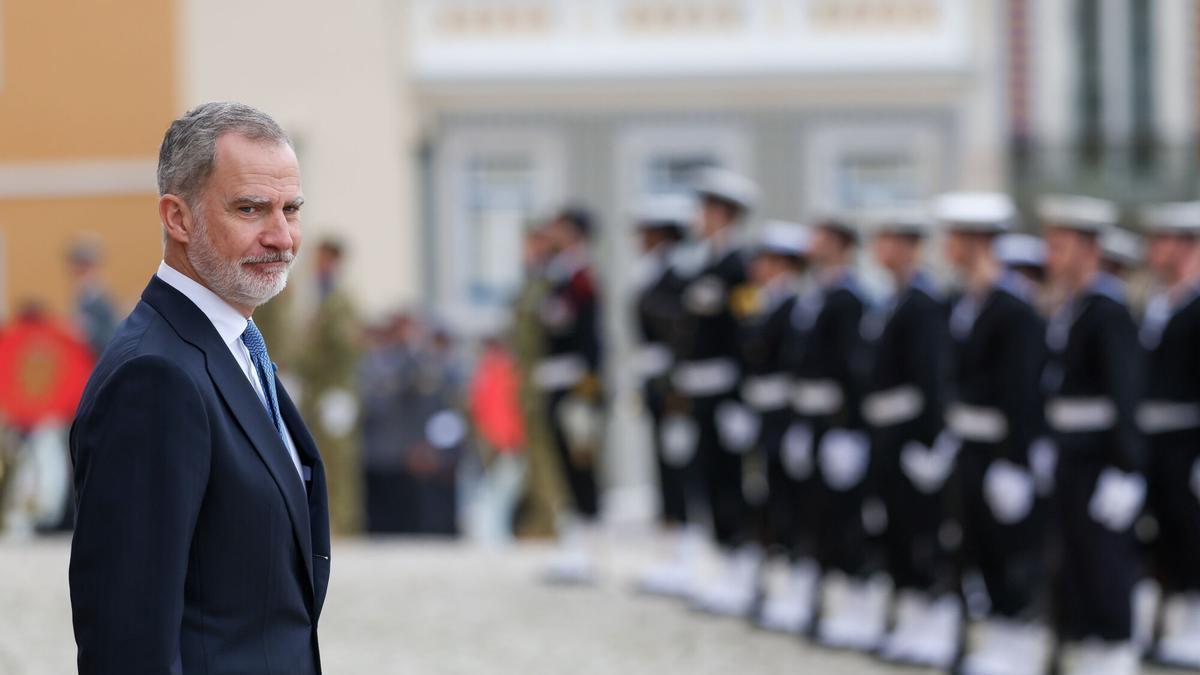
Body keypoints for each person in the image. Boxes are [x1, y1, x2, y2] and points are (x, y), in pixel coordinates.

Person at [68, 102, 329, 673]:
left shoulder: (235, 344)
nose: (281, 237)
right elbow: (126, 636)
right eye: (250, 209)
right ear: (178, 218)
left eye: (291, 209)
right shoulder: (154, 377)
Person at [936, 191, 1050, 675]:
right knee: (974, 546)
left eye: (956, 237)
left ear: (977, 242)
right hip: (968, 444)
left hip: (1000, 449)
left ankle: (1017, 647)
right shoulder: (964, 302)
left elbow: (1021, 393)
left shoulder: (1014, 309)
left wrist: (1015, 461)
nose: (947, 245)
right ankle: (992, 642)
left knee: (1009, 553)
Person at [1039, 194, 1145, 675]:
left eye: (1059, 246)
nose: (1050, 256)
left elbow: (1125, 394)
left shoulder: (1108, 310)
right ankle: (1086, 645)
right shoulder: (1074, 307)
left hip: (1101, 458)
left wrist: (1127, 468)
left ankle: (1115, 650)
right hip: (1071, 454)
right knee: (1075, 560)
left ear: (1088, 250)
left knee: (1105, 562)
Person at [864, 211, 959, 668]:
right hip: (887, 430)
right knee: (895, 528)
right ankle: (909, 617)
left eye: (892, 240)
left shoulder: (922, 302)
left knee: (921, 530)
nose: (883, 249)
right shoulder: (892, 299)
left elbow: (932, 377)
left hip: (912, 432)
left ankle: (933, 620)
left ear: (911, 247)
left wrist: (931, 439)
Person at [671, 167, 763, 616]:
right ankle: (725, 565)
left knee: (730, 483)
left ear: (725, 214)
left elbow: (747, 335)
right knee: (707, 478)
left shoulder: (739, 266)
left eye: (706, 210)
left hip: (727, 390)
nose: (699, 218)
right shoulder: (705, 263)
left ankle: (742, 571)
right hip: (702, 389)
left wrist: (741, 400)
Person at [792, 217, 879, 650]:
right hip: (812, 419)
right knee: (816, 515)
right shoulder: (816, 294)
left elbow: (854, 370)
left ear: (842, 246)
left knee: (846, 518)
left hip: (837, 421)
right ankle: (828, 600)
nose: (814, 245)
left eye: (823, 239)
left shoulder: (850, 298)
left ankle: (857, 605)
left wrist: (849, 429)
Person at [734, 220, 815, 634]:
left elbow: (797, 366)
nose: (757, 268)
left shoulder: (798, 306)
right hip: (762, 410)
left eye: (766, 260)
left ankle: (797, 583)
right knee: (763, 495)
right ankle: (772, 578)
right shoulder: (760, 302)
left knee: (791, 500)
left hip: (787, 411)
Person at [629, 194, 706, 597]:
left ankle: (687, 557)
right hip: (657, 382)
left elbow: (685, 335)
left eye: (647, 232)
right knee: (665, 469)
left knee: (681, 470)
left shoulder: (681, 275)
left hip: (676, 386)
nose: (640, 240)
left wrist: (675, 389)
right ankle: (672, 552)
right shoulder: (653, 273)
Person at [1137, 201, 1200, 668]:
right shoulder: (1158, 304)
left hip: (1189, 437)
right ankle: (1167, 622)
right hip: (1155, 438)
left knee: (1192, 533)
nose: (1154, 250)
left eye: (1163, 241)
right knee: (1161, 536)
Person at [536, 207, 605, 583]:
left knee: (582, 466)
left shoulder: (582, 277)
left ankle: (588, 546)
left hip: (576, 384)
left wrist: (587, 392)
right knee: (563, 465)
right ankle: (574, 540)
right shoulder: (557, 274)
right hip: (556, 382)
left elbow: (591, 341)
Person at [296, 238, 362, 535]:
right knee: (322, 454)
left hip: (334, 388)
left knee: (338, 458)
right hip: (317, 389)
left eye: (321, 258)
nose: (316, 264)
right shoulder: (319, 297)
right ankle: (330, 520)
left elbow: (348, 347)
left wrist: (339, 388)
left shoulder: (339, 301)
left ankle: (344, 522)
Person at [66, 237, 117, 358]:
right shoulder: (80, 294)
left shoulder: (100, 298)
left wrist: (90, 331)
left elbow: (110, 335)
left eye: (83, 266)